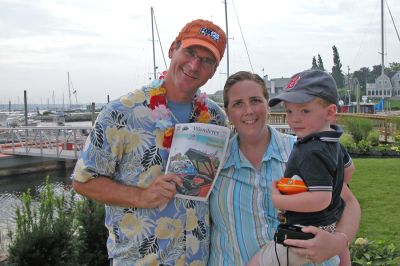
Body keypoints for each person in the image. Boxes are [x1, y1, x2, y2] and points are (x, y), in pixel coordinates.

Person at [71, 19, 227, 265]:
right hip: (140, 259)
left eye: (207, 60)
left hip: (198, 258)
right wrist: (141, 196)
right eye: (190, 52)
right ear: (173, 49)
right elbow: (83, 181)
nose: (195, 65)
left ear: (214, 70)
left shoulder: (215, 118)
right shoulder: (121, 113)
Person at [208, 71, 361, 265]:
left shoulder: (303, 151)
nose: (248, 110)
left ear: (267, 105)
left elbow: (348, 204)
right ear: (228, 112)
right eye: (238, 104)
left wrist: (338, 242)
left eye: (255, 100)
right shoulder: (214, 160)